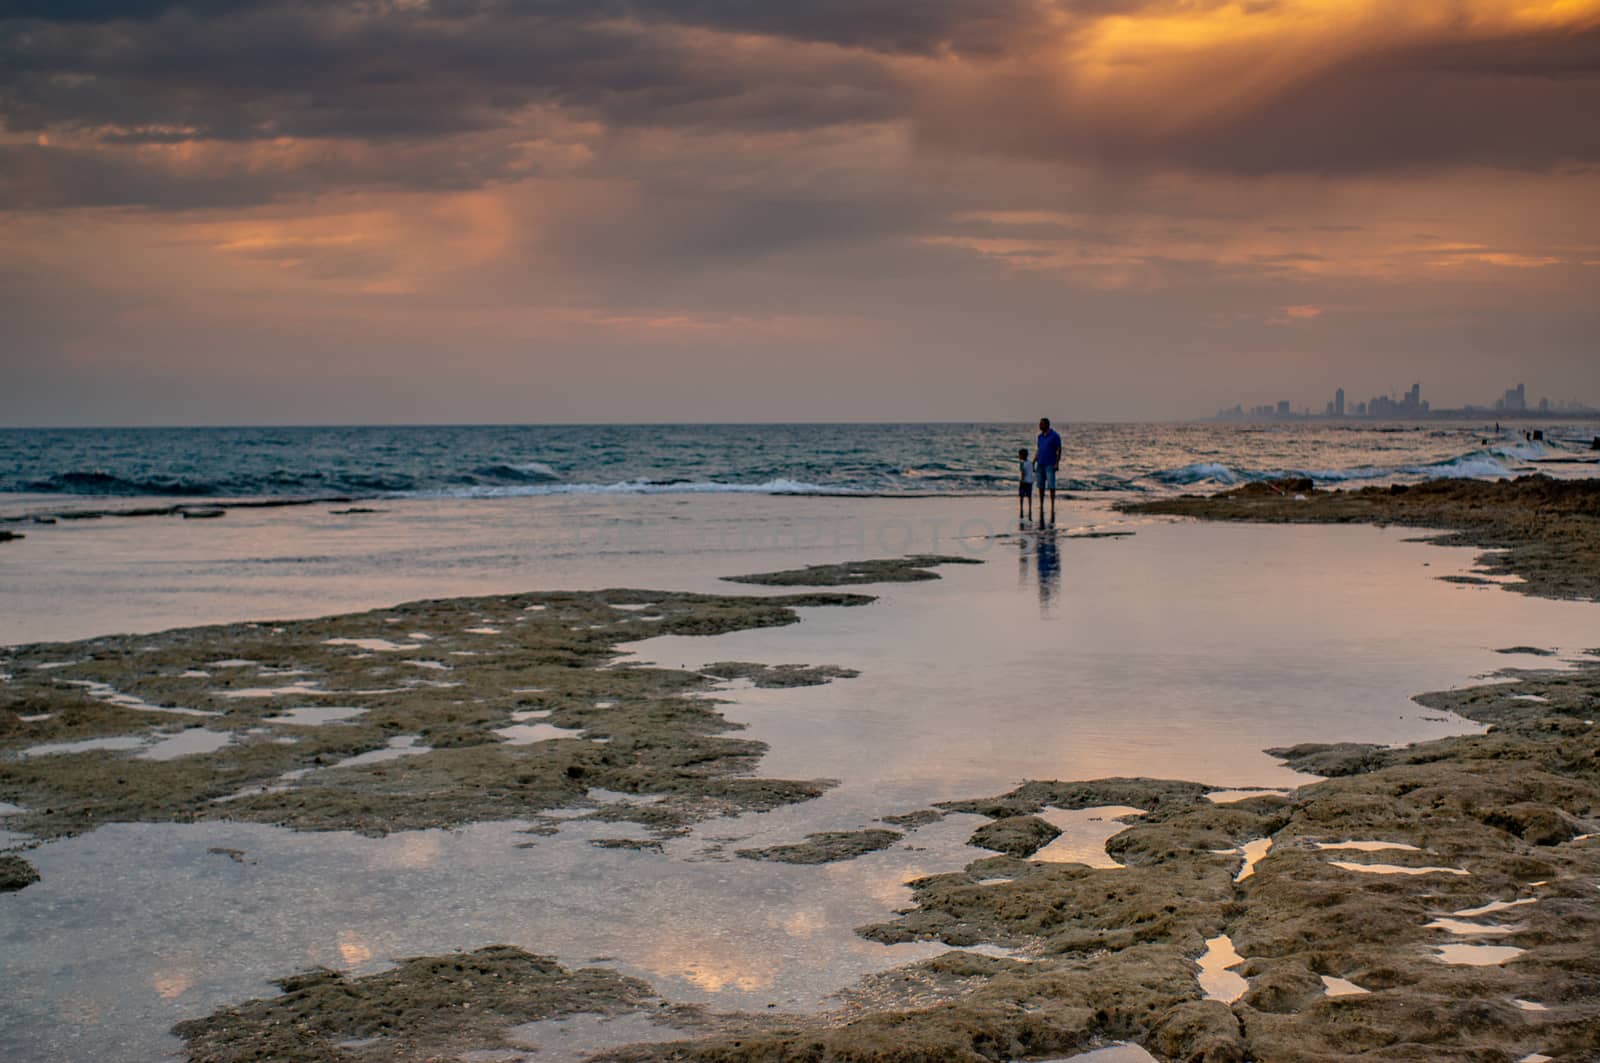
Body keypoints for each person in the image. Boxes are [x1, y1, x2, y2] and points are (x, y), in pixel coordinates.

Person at [1035, 417, 1062, 522]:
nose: (1040, 426)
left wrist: (1057, 463)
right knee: (1040, 486)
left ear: (1046, 425)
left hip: (1050, 464)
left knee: (1051, 485)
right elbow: (1039, 449)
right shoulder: (1040, 437)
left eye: (1041, 424)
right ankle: (1041, 505)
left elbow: (1059, 450)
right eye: (1039, 424)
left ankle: (1052, 505)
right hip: (1040, 463)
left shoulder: (1055, 436)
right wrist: (1034, 461)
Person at [1016, 448, 1034, 520]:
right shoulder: (1030, 463)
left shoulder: (1022, 463)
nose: (1019, 456)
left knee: (1022, 495)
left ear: (1022, 456)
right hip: (1030, 481)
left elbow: (1022, 473)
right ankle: (1029, 507)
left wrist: (1021, 481)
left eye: (1019, 455)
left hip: (1024, 482)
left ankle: (1021, 507)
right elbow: (1032, 471)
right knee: (1029, 495)